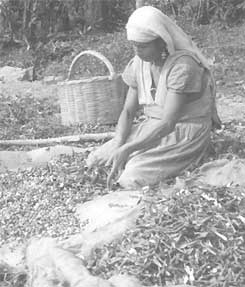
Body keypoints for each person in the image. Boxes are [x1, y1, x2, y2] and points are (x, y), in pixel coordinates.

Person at [86, 6, 221, 189]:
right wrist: (118, 141)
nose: (137, 51)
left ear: (161, 41)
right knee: (96, 161)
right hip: (152, 127)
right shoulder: (139, 65)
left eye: (143, 46)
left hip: (183, 131)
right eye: (134, 45)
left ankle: (180, 158)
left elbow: (168, 123)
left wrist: (128, 148)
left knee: (131, 176)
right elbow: (128, 111)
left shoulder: (183, 67)